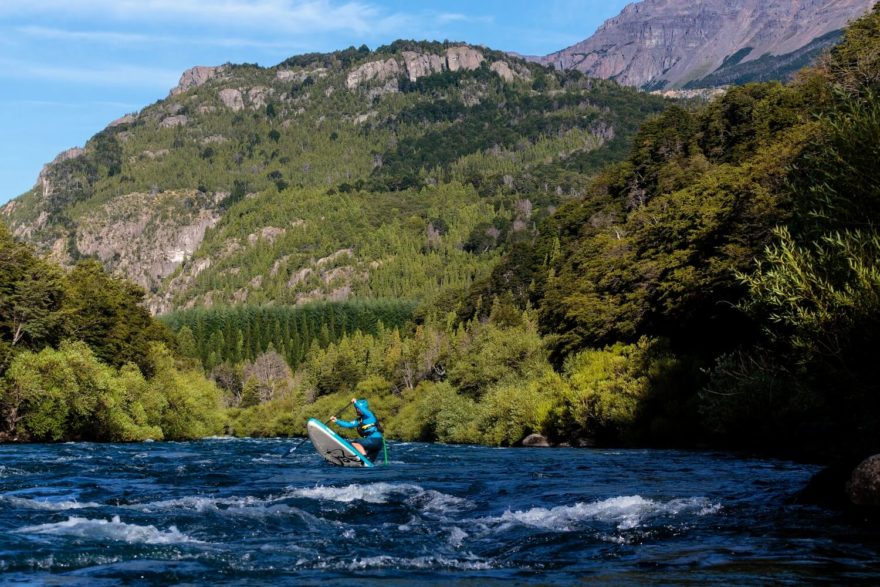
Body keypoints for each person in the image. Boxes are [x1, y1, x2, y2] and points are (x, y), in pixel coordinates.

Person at [330, 397, 384, 463]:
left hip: (375, 441)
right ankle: (366, 460)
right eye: (356, 409)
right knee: (369, 463)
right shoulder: (359, 420)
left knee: (355, 443)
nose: (357, 410)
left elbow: (363, 410)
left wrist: (356, 403)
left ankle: (364, 457)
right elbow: (348, 424)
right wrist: (336, 421)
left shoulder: (369, 415)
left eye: (358, 409)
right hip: (376, 443)